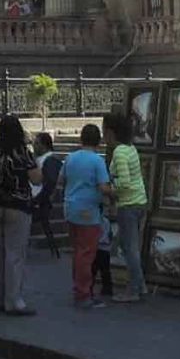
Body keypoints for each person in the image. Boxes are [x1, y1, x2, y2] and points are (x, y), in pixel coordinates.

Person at [0, 114, 41, 316]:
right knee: (14, 254)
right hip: (18, 205)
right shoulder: (23, 152)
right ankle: (13, 300)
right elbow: (36, 179)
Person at [59, 123, 112, 309]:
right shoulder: (97, 161)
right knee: (86, 254)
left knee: (77, 252)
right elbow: (103, 187)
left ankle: (78, 289)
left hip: (70, 207)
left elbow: (61, 180)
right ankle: (83, 294)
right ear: (98, 140)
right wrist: (117, 191)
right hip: (88, 210)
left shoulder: (70, 158)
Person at [102, 111, 148, 303]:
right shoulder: (130, 148)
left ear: (111, 132)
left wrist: (109, 190)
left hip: (128, 204)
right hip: (139, 201)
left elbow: (125, 183)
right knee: (126, 244)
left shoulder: (120, 152)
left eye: (104, 130)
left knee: (130, 249)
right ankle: (141, 285)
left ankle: (134, 290)